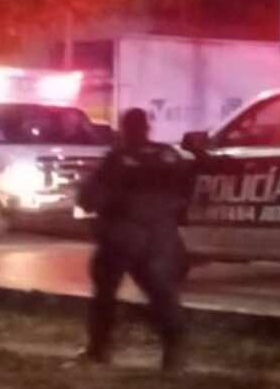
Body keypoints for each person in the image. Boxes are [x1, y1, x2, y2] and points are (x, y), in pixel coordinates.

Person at [77, 108, 192, 373]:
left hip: (122, 236)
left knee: (104, 293)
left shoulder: (118, 159)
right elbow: (187, 189)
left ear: (125, 130)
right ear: (147, 128)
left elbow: (90, 198)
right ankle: (174, 354)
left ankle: (99, 350)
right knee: (162, 295)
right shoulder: (169, 156)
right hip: (161, 236)